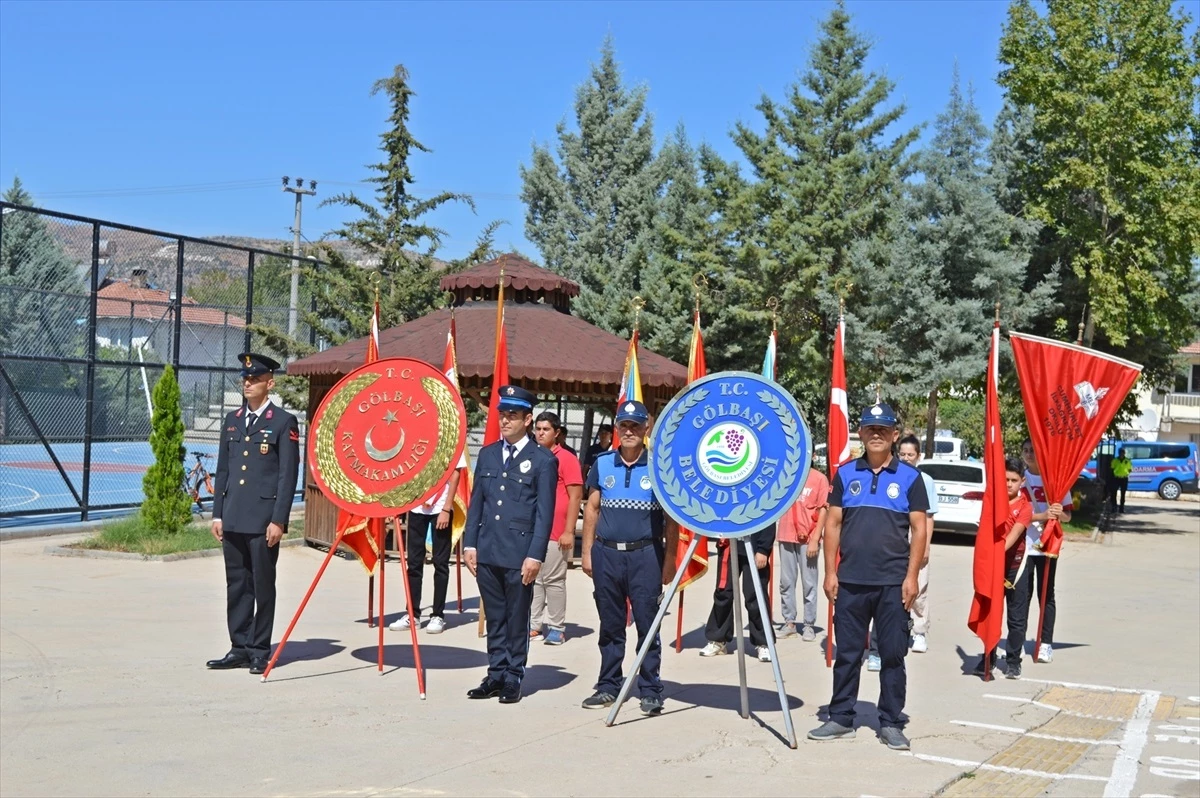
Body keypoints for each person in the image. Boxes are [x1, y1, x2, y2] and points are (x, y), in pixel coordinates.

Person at [807, 403, 929, 752]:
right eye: (869, 428)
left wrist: (912, 576)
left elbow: (920, 530)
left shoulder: (910, 478)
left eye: (883, 429)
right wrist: (831, 572)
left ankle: (890, 721)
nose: (876, 434)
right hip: (851, 582)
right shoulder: (845, 475)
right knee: (847, 652)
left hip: (893, 582)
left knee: (892, 654)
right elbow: (832, 524)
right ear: (860, 433)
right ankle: (841, 717)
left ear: (894, 435)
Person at [579, 401, 679, 716]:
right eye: (624, 425)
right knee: (610, 625)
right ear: (617, 428)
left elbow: (671, 521)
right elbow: (592, 508)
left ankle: (650, 689)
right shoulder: (603, 464)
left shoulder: (659, 468)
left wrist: (670, 560)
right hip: (606, 555)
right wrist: (587, 552)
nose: (630, 431)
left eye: (636, 425)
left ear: (646, 429)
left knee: (648, 626)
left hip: (646, 555)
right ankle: (608, 685)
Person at [463, 386, 558, 705]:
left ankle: (514, 675)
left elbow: (544, 513)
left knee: (517, 616)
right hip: (488, 548)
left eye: (512, 416)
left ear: (528, 419)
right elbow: (477, 502)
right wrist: (470, 543)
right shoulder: (489, 453)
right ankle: (495, 673)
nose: (505, 420)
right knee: (496, 614)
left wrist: (535, 555)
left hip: (520, 554)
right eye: (502, 415)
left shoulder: (542, 460)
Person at [206, 353, 300, 675]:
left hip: (263, 520)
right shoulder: (232, 420)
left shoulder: (283, 421)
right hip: (232, 516)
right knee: (237, 584)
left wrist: (279, 520)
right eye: (245, 379)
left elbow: (288, 475)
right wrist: (218, 513)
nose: (248, 383)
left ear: (269, 384)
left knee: (262, 585)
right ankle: (239, 647)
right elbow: (223, 470)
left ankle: (260, 649)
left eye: (255, 379)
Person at [1007, 438, 1072, 667]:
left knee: (1046, 596)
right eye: (1025, 450)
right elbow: (1014, 513)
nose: (1028, 454)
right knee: (1020, 597)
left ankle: (1045, 643)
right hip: (1023, 546)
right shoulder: (1019, 480)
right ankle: (1017, 643)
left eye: (1033, 451)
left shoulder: (1055, 478)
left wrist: (1058, 513)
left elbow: (1068, 516)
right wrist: (1042, 516)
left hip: (1047, 547)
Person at [972, 457, 1033, 679]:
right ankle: (988, 656)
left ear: (1022, 481)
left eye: (1013, 480)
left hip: (1015, 568)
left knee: (1016, 619)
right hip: (993, 567)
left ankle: (1014, 660)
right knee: (990, 613)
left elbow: (1014, 535)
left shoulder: (1026, 507)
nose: (1008, 484)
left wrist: (996, 553)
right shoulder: (993, 503)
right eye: (1005, 479)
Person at [530, 411, 584, 645]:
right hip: (533, 529)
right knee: (533, 578)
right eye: (538, 428)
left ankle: (556, 627)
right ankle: (533, 624)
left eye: (546, 429)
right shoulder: (530, 456)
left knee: (553, 580)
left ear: (557, 433)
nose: (541, 433)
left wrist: (569, 531)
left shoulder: (567, 459)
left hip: (556, 531)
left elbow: (575, 496)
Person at [389, 468, 461, 635]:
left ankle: (438, 615)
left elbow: (455, 473)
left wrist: (446, 508)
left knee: (440, 563)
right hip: (417, 507)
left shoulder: (450, 441)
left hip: (441, 507)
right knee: (413, 563)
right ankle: (412, 614)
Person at [699, 524, 777, 662]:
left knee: (755, 596)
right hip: (729, 546)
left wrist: (764, 549)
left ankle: (763, 642)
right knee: (723, 593)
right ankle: (718, 639)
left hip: (754, 549)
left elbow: (768, 517)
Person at [776, 463, 829, 642]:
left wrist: (815, 538)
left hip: (808, 538)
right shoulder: (786, 474)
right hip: (786, 534)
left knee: (809, 583)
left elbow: (823, 509)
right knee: (786, 582)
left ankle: (808, 624)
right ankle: (789, 621)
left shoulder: (819, 478)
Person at [896, 435, 938, 654]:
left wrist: (926, 546)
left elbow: (928, 517)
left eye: (910, 455)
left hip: (917, 539)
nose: (905, 459)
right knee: (897, 589)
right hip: (896, 538)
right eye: (902, 454)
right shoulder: (893, 476)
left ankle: (919, 632)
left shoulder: (925, 480)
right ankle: (902, 629)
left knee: (918, 588)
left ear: (918, 456)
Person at [1110, 448, 1132, 513]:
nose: (1121, 454)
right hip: (1116, 478)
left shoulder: (1127, 460)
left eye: (1123, 452)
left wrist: (1126, 473)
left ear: (1124, 453)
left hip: (1124, 478)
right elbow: (1112, 468)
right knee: (1114, 493)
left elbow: (1130, 469)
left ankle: (1121, 508)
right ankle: (1114, 507)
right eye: (1120, 453)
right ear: (1119, 453)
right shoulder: (1115, 460)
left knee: (1123, 494)